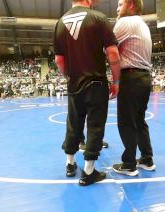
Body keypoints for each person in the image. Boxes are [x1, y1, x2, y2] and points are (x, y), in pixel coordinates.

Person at [54, 0, 120, 185]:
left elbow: (59, 60)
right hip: (95, 82)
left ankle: (70, 164)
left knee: (73, 123)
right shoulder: (98, 18)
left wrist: (70, 75)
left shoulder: (60, 22)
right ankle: (89, 171)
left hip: (74, 83)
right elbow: (113, 54)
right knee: (95, 125)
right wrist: (116, 81)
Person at [112, 0, 155, 177]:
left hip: (130, 77)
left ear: (130, 4)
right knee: (139, 120)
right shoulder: (142, 24)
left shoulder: (125, 23)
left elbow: (107, 48)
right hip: (144, 77)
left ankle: (129, 164)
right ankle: (146, 158)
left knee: (126, 122)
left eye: (120, 3)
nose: (117, 7)